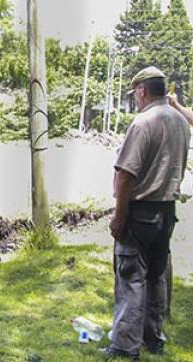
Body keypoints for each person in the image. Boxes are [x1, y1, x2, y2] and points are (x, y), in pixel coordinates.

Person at [101, 66, 190, 360]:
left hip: (139, 213)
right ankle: (154, 339)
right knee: (156, 276)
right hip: (166, 213)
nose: (135, 100)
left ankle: (125, 347)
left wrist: (119, 217)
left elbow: (126, 174)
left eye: (135, 94)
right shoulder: (181, 121)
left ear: (142, 90)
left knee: (130, 278)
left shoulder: (143, 122)